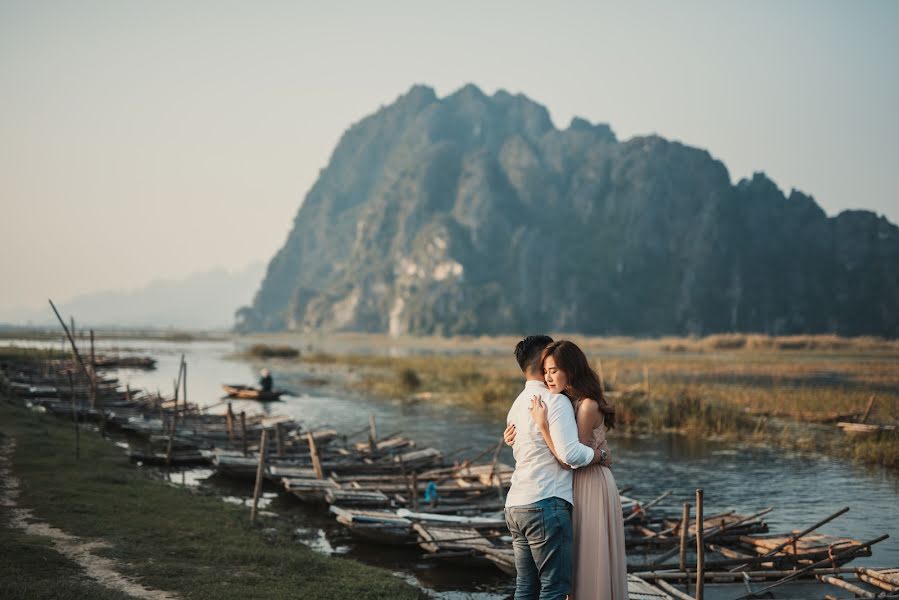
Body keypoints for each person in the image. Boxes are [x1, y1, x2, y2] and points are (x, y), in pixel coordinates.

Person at [509, 340, 628, 600]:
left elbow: (567, 459)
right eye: (546, 370)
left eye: (554, 370)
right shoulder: (561, 400)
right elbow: (567, 456)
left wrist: (542, 426)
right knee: (557, 580)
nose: (549, 377)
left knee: (577, 565)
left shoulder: (580, 404)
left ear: (570, 370)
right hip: (568, 486)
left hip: (589, 483)